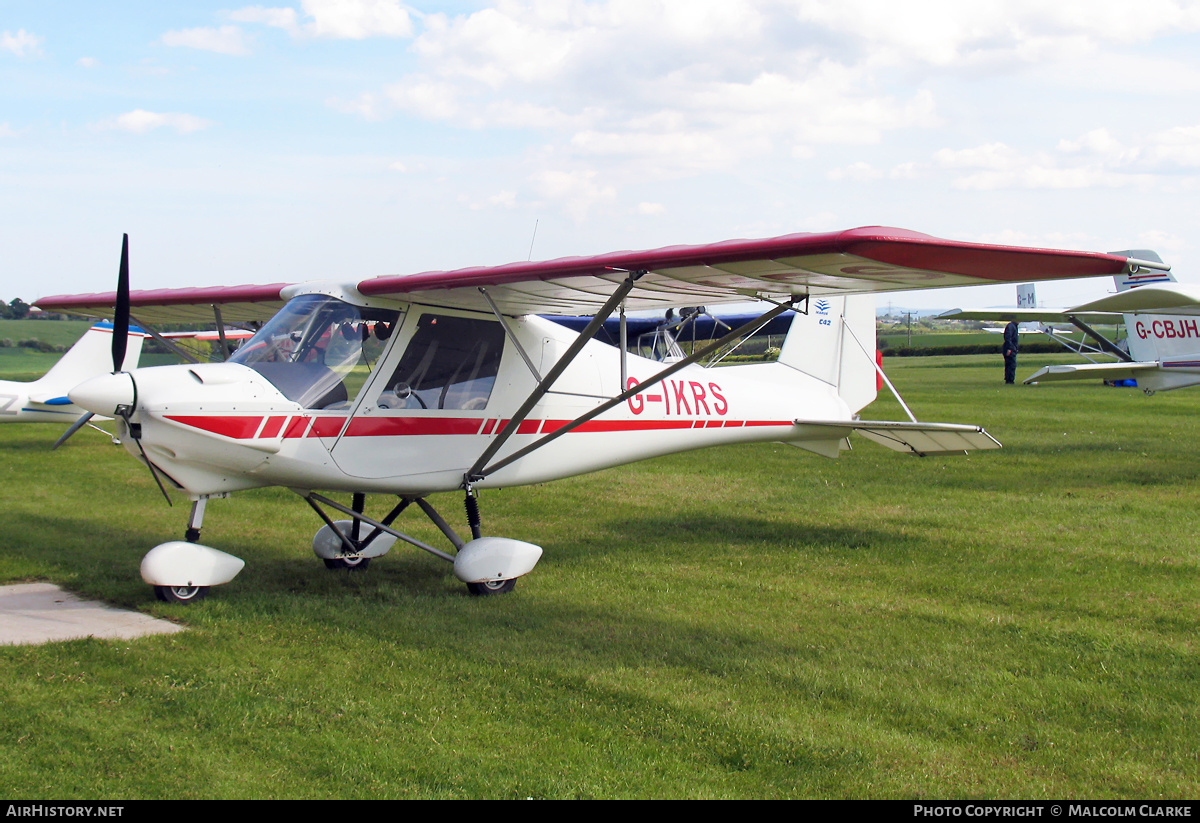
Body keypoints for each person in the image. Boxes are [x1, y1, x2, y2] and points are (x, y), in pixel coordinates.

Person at [1002, 319, 1019, 384]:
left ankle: (1009, 379)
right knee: (1011, 364)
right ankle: (1009, 380)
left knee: (1010, 364)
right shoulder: (1011, 326)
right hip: (1010, 348)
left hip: (1012, 348)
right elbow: (1008, 338)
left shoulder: (1013, 326)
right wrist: (1009, 348)